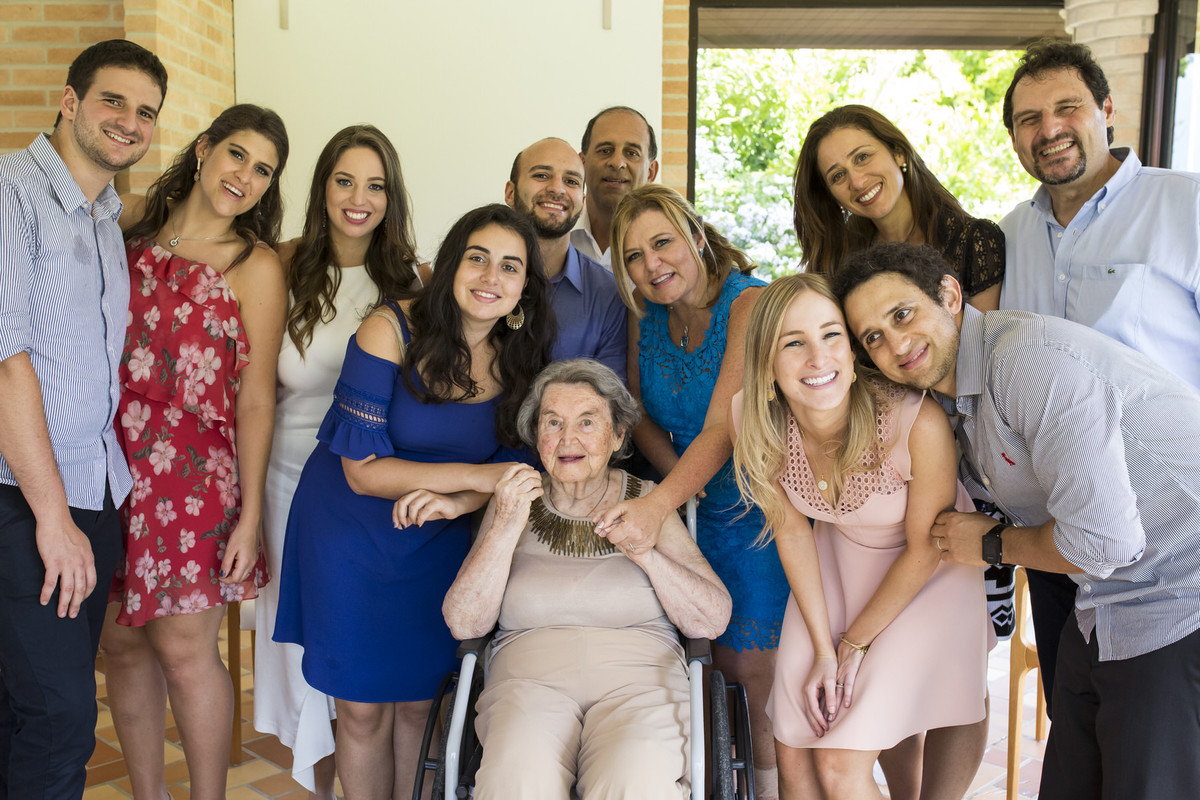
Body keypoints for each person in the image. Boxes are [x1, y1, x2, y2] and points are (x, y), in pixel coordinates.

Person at [837, 241, 1200, 799]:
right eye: (873, 338)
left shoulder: (1026, 361)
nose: (896, 344)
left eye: (902, 315)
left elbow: (1103, 542)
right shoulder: (949, 398)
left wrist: (993, 546)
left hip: (1179, 592)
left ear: (949, 295)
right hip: (1105, 599)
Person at [273, 204, 554, 798]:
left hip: (436, 542)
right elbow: (362, 472)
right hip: (349, 534)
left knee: (423, 708)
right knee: (362, 711)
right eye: (477, 258)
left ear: (524, 287)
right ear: (451, 264)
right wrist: (475, 479)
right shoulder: (388, 329)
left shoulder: (523, 357)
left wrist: (457, 503)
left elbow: (517, 470)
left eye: (510, 266)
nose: (491, 277)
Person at [996, 37, 1200, 710]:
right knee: (1075, 727)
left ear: (1106, 110)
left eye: (1067, 108)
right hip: (1062, 544)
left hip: (1174, 548)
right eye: (1029, 119)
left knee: (1161, 744)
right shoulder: (1008, 238)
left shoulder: (1185, 205)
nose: (1049, 129)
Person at [730, 274, 989, 800]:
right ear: (766, 364)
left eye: (831, 335)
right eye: (793, 343)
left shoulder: (916, 422)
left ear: (851, 352)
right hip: (838, 563)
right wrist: (824, 650)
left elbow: (926, 547)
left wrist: (854, 644)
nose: (817, 358)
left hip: (930, 572)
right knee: (793, 745)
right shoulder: (753, 419)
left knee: (839, 763)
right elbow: (792, 534)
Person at [100, 104, 289, 800]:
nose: (245, 176)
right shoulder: (131, 225)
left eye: (263, 170)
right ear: (205, 147)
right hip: (110, 463)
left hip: (195, 479)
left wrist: (249, 516)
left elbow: (257, 399)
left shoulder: (254, 265)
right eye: (237, 154)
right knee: (121, 644)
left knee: (184, 649)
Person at [443, 359, 731, 799]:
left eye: (587, 422)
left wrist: (645, 554)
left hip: (641, 689)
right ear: (535, 433)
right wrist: (504, 526)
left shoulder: (649, 500)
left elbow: (711, 619)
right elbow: (465, 622)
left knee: (636, 779)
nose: (567, 439)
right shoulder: (513, 500)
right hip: (526, 688)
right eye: (552, 422)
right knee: (517, 778)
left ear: (617, 434)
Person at [0, 39, 166, 797]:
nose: (130, 122)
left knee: (23, 709)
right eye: (113, 101)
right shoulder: (11, 192)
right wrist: (51, 517)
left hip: (94, 493)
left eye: (146, 112)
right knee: (60, 720)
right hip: (26, 497)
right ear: (70, 102)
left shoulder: (104, 215)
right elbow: (6, 362)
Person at [595, 184, 788, 797]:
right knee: (687, 665)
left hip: (753, 508)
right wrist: (678, 487)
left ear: (697, 237)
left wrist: (662, 501)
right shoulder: (644, 313)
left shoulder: (749, 304)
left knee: (749, 670)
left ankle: (767, 787)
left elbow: (725, 427)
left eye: (663, 243)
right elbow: (635, 412)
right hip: (682, 506)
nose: (651, 265)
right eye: (633, 256)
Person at [255, 125, 430, 799]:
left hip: (371, 488)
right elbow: (254, 393)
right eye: (345, 181)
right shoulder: (281, 265)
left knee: (361, 669)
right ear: (322, 186)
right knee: (308, 668)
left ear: (393, 196)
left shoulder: (415, 280)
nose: (359, 199)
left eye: (375, 185)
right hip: (287, 485)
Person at [793, 104, 1005, 310]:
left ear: (898, 153)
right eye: (838, 175)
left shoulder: (973, 241)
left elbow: (985, 334)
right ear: (830, 196)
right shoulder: (835, 264)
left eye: (862, 157)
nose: (856, 182)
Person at [506, 136, 628, 379]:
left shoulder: (609, 296)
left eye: (571, 181)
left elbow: (608, 397)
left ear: (582, 203)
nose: (557, 189)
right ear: (510, 192)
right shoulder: (473, 277)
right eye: (542, 175)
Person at [572, 106, 660, 268]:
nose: (617, 163)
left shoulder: (669, 252)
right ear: (582, 164)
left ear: (651, 172)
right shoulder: (549, 236)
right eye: (605, 150)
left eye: (632, 153)